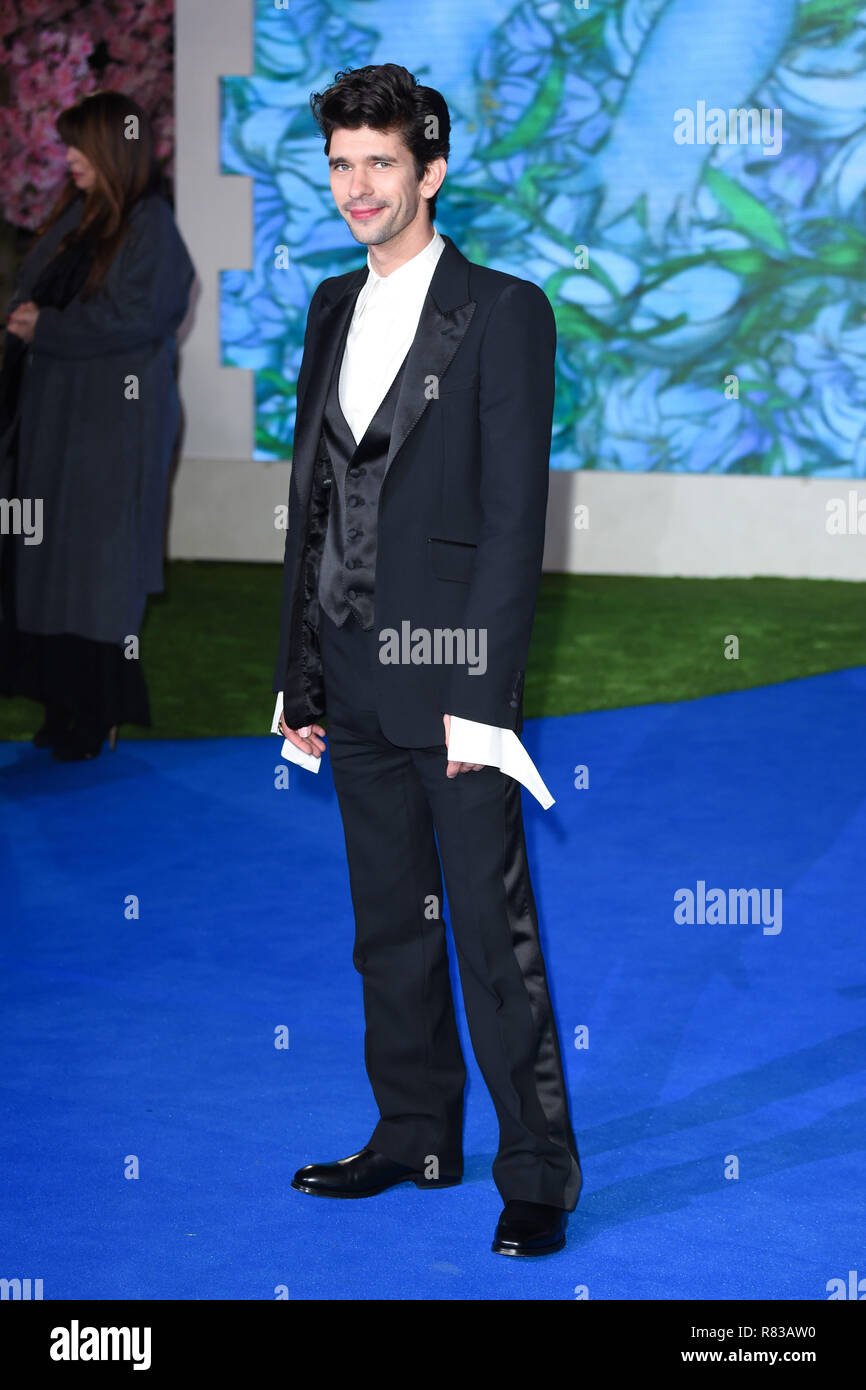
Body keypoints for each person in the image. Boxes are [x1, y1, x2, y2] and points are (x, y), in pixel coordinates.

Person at [272, 64, 582, 1257]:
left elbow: (512, 526)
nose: (355, 185)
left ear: (430, 173)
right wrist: (296, 676)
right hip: (345, 676)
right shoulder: (324, 311)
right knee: (386, 926)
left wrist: (481, 701)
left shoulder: (505, 312)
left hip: (451, 683)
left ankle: (537, 1174)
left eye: (379, 164)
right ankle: (414, 1132)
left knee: (490, 935)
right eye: (341, 163)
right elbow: (315, 506)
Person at [0, 90, 195, 760]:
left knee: (96, 566)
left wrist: (44, 326)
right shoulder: (78, 218)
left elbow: (139, 318)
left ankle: (96, 709)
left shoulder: (151, 226)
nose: (69, 158)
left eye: (80, 146)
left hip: (112, 427)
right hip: (55, 420)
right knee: (50, 563)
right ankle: (62, 704)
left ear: (115, 148)